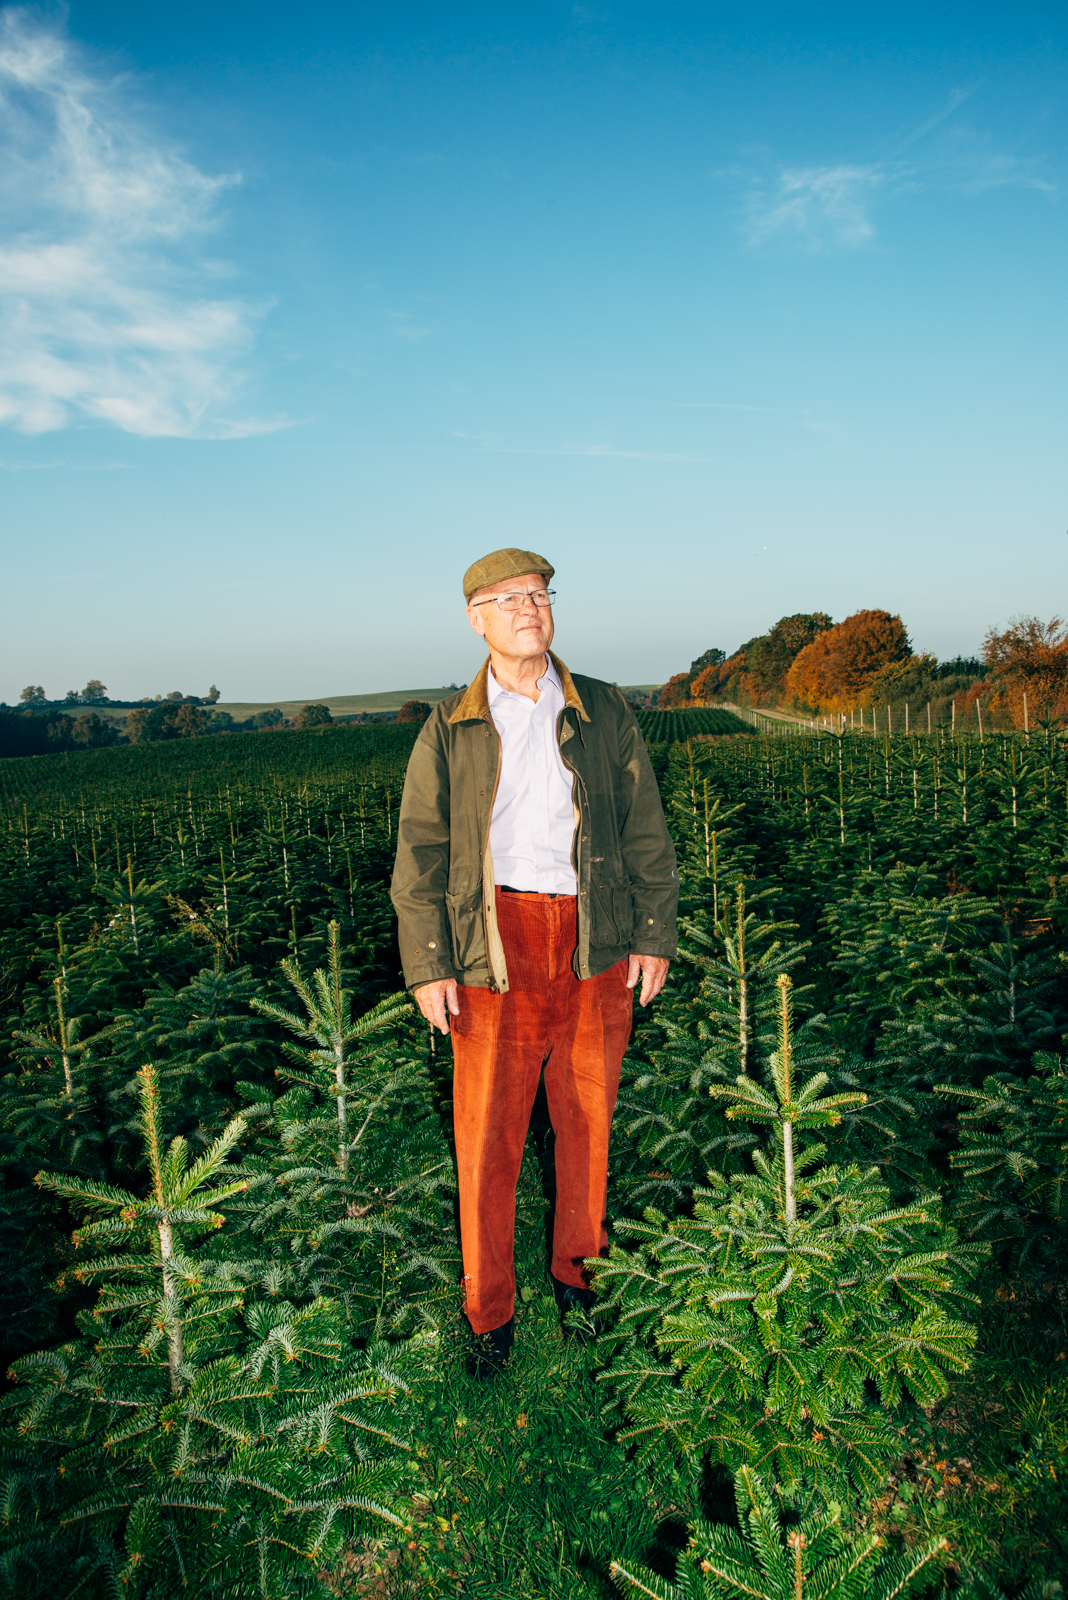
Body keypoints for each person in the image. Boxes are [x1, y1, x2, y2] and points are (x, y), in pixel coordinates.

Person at [390, 547, 678, 1377]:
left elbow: (645, 830)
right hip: (495, 950)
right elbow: (420, 857)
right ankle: (489, 1316)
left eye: (541, 594)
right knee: (487, 1140)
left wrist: (652, 933)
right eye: (508, 598)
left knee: (587, 1124)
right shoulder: (450, 729)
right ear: (475, 618)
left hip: (595, 941)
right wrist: (430, 965)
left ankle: (579, 1285)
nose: (530, 607)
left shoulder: (604, 712)